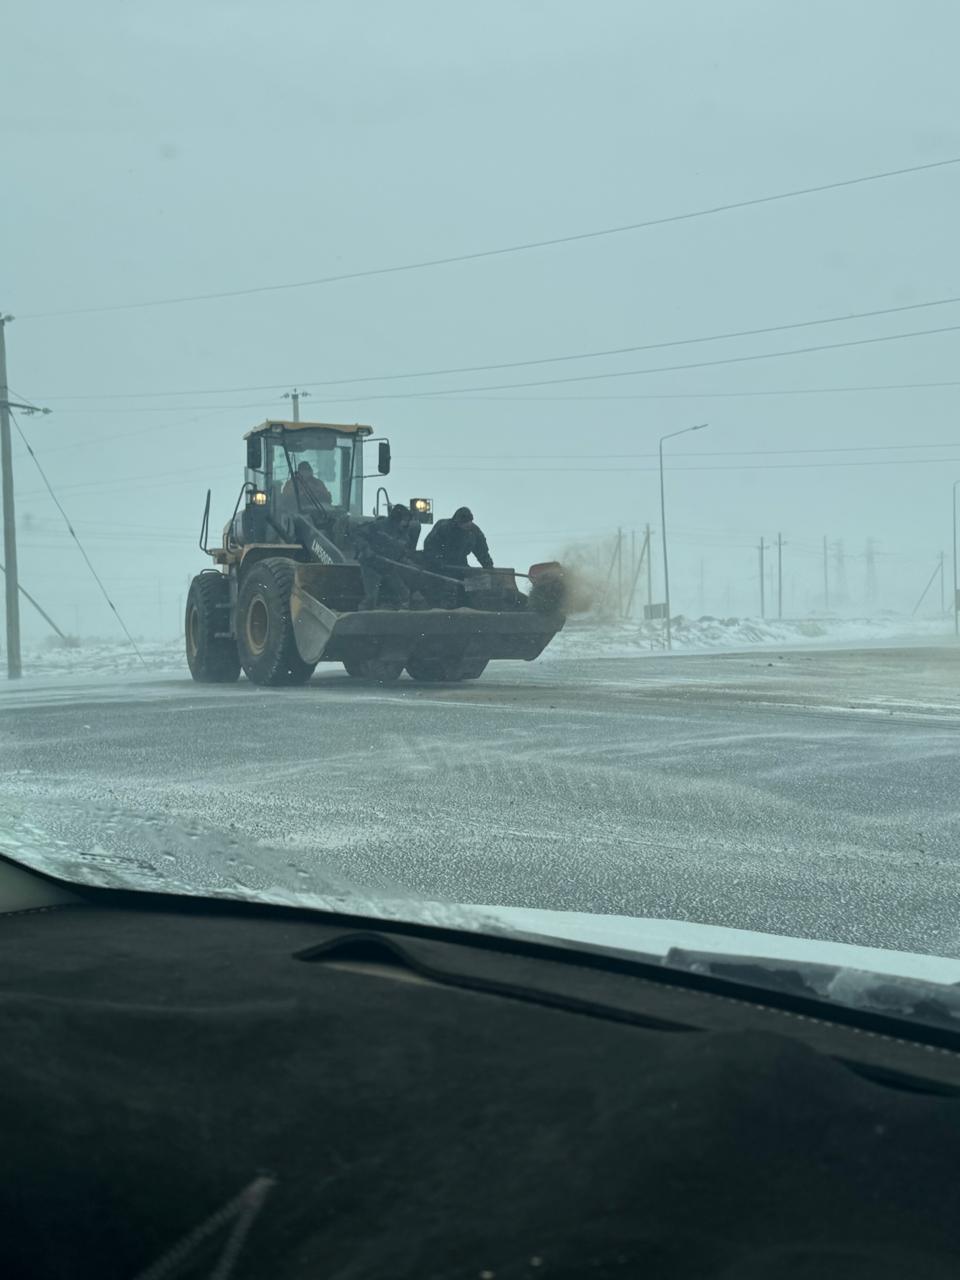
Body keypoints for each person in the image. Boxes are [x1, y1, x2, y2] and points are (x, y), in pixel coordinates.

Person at [354, 504, 415, 610]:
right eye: (404, 519)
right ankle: (363, 616)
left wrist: (411, 563)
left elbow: (402, 553)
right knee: (371, 597)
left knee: (405, 594)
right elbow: (359, 535)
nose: (406, 523)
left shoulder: (403, 534)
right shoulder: (378, 526)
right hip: (370, 566)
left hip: (388, 567)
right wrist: (366, 549)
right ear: (397, 518)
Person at [423, 507, 493, 571]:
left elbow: (482, 552)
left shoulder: (474, 532)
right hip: (440, 563)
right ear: (457, 522)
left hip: (460, 563)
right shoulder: (444, 527)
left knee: (469, 578)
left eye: (469, 521)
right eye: (464, 522)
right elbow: (429, 545)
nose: (467, 524)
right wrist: (436, 560)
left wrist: (488, 566)